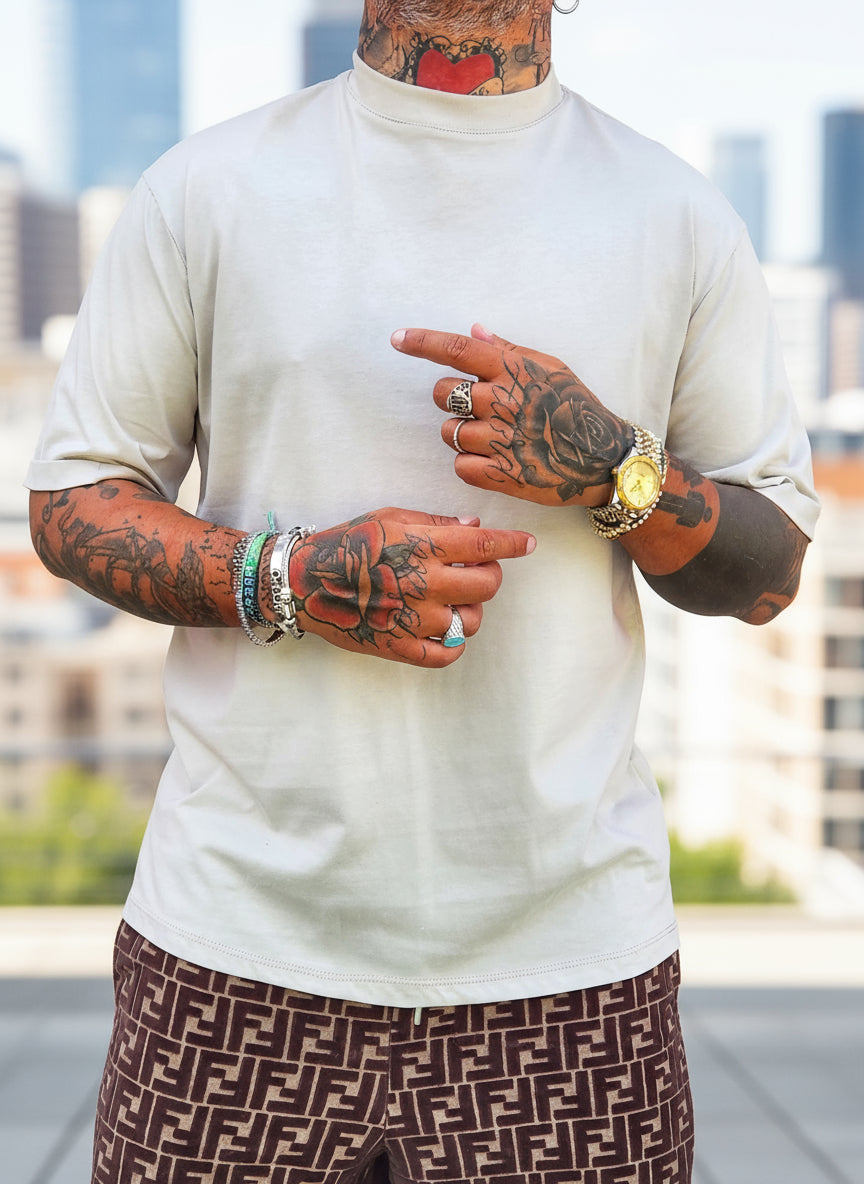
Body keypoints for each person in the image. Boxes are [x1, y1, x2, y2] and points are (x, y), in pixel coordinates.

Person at [27, 1, 818, 1181]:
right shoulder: (205, 189)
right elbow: (71, 502)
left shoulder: (677, 215)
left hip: (571, 971)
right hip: (235, 944)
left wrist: (615, 471)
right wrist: (292, 577)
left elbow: (769, 574)